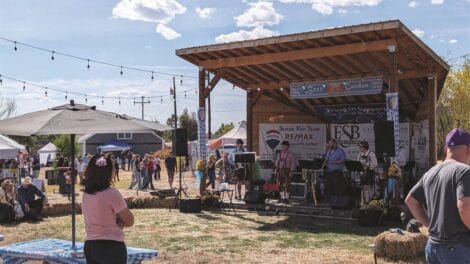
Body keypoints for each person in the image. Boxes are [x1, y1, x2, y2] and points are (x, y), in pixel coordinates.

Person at [405, 128, 470, 263]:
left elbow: (411, 201)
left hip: (433, 247)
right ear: (468, 149)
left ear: (446, 149)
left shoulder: (431, 172)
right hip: (458, 248)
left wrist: (429, 225)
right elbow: (464, 207)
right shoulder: (464, 172)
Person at [82, 154, 134, 264]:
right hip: (111, 246)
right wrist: (121, 221)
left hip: (91, 245)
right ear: (109, 172)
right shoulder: (112, 193)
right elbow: (129, 221)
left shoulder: (86, 193)